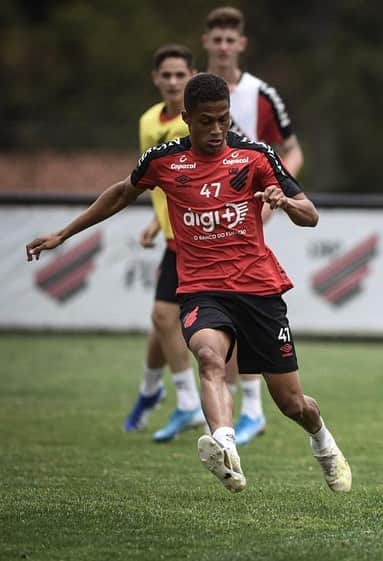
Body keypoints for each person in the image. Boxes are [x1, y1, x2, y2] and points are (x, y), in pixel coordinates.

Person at [27, 73, 352, 495]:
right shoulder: (163, 161)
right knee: (210, 358)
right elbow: (121, 194)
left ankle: (324, 444)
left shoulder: (254, 156)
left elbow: (310, 214)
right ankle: (225, 446)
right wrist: (63, 235)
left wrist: (285, 202)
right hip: (202, 288)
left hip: (258, 291)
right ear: (187, 119)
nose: (217, 130)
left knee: (292, 404)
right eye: (206, 121)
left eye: (223, 120)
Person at [201, 6, 305, 446]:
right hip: (204, 222)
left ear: (241, 44)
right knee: (209, 319)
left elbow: (293, 152)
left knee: (239, 308)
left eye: (231, 40)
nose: (223, 47)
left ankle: (251, 409)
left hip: (250, 218)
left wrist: (274, 202)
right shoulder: (196, 93)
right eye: (217, 39)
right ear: (207, 42)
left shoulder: (262, 94)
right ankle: (234, 409)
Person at [122, 44, 205, 442]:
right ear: (156, 78)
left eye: (180, 75)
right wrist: (156, 222)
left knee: (163, 318)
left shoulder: (198, 124)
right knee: (161, 323)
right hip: (172, 236)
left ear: (192, 75)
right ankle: (150, 392)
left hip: (196, 238)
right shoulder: (148, 121)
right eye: (166, 75)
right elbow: (156, 181)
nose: (173, 82)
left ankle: (189, 402)